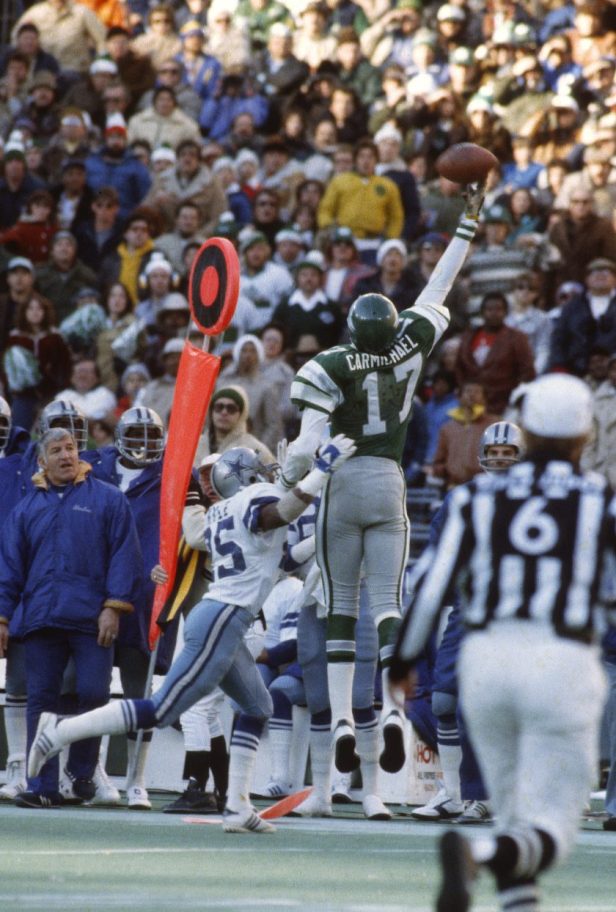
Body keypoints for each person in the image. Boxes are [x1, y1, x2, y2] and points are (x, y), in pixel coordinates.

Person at [28, 435, 356, 832]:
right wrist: (320, 472)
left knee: (259, 708)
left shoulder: (220, 512)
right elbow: (280, 514)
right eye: (260, 466)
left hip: (223, 616)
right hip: (223, 617)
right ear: (246, 475)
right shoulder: (257, 503)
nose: (270, 471)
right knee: (162, 709)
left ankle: (237, 806)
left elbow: (280, 557)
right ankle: (60, 730)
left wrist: (319, 540)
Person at [390, 373, 612, 912]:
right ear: (585, 436)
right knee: (552, 831)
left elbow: (431, 583)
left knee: (514, 814)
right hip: (561, 659)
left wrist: (403, 658)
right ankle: (481, 852)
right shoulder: (598, 500)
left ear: (527, 433)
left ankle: (510, 885)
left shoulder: (475, 497)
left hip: (486, 662)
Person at [287, 184, 485, 775]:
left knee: (340, 608)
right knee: (388, 606)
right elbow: (438, 286)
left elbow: (305, 446)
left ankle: (347, 722)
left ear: (350, 327)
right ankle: (395, 714)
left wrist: (292, 476)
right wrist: (467, 225)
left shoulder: (329, 364)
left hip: (341, 484)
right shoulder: (410, 345)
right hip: (389, 480)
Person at [0, 427, 141, 808]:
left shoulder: (109, 500)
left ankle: (81, 773)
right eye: (56, 450)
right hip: (42, 619)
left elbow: (124, 556)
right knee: (41, 700)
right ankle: (41, 786)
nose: (66, 455)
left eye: (71, 448)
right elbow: (9, 567)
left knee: (94, 694)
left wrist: (113, 607)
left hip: (92, 618)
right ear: (41, 461)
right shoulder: (26, 508)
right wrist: (2, 617)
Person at [82, 406, 173, 809]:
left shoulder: (173, 473)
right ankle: (94, 773)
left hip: (144, 597)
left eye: (150, 434)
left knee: (139, 691)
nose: (143, 442)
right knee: (94, 691)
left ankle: (137, 777)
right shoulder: (95, 469)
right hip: (98, 593)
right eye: (135, 433)